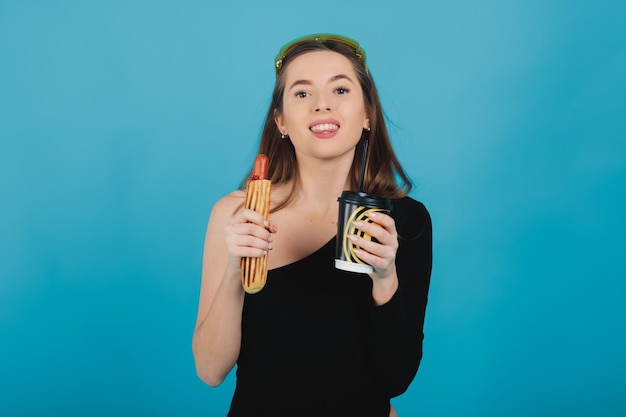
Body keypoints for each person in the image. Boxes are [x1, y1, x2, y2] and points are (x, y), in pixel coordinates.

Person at [192, 34, 432, 417]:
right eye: (302, 94)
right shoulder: (237, 214)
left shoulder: (403, 220)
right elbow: (209, 370)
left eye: (340, 89)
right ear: (281, 120)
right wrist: (237, 271)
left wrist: (385, 278)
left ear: (368, 113)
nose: (323, 104)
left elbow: (395, 379)